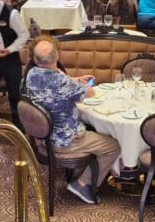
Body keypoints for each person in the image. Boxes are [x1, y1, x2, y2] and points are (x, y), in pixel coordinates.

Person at [24, 36, 121, 204]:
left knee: (93, 128)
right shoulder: (63, 82)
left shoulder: (31, 74)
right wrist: (77, 84)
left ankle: (100, 170)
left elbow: (54, 83)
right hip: (64, 141)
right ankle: (83, 183)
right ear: (57, 56)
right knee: (114, 145)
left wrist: (75, 80)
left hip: (42, 138)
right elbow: (89, 93)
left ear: (34, 59)